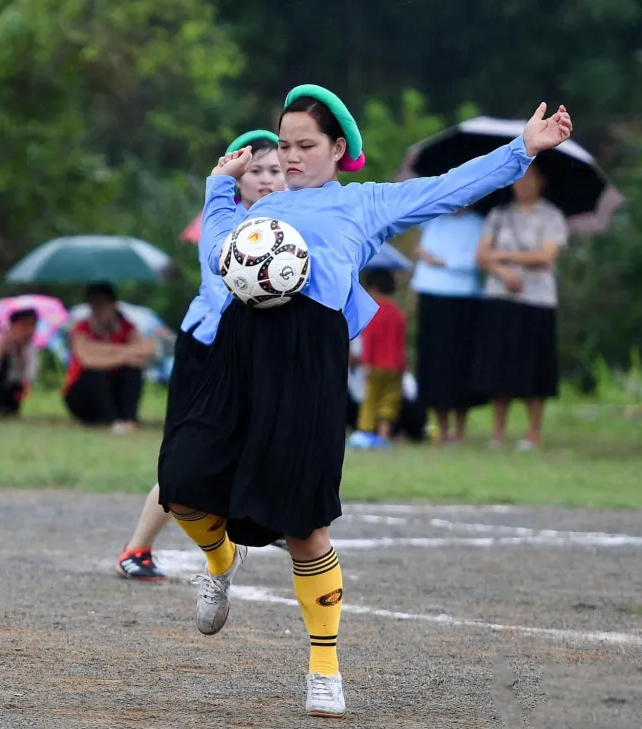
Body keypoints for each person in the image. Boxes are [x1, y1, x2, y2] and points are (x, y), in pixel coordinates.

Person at [158, 83, 571, 718]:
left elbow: (447, 188)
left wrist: (522, 149)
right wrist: (219, 187)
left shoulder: (364, 205)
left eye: (305, 146)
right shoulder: (257, 212)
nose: (290, 157)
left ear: (337, 149)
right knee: (181, 482)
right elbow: (217, 253)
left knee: (305, 527)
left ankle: (324, 669)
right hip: (240, 352)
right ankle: (220, 558)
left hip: (308, 362)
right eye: (284, 145)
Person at [117, 131, 285, 581]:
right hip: (206, 350)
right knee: (184, 457)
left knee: (253, 442)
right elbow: (230, 295)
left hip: (245, 355)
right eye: (256, 171)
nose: (268, 179)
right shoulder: (224, 220)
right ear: (235, 176)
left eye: (275, 169)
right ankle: (137, 548)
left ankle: (268, 518)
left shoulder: (286, 222)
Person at [473, 165, 568, 449]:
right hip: (500, 297)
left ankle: (533, 432)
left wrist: (502, 255)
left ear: (541, 182)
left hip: (537, 300)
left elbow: (546, 254)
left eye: (530, 179)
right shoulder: (499, 215)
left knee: (535, 367)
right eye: (519, 179)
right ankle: (498, 432)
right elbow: (481, 255)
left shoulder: (551, 216)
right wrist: (504, 272)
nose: (523, 184)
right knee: (498, 366)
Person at [411, 209, 487, 443]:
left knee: (461, 362)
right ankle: (441, 426)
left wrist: (442, 261)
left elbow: (477, 258)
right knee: (434, 363)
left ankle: (460, 428)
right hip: (431, 295)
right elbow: (422, 252)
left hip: (463, 298)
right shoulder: (433, 218)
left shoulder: (477, 223)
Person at [63, 282, 154, 433]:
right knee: (96, 373)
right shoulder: (81, 328)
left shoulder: (127, 327)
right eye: (93, 305)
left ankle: (129, 419)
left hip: (114, 390)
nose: (97, 310)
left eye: (101, 304)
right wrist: (125, 354)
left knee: (132, 371)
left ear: (113, 305)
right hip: (83, 395)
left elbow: (146, 351)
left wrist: (100, 350)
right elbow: (87, 360)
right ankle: (112, 420)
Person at [348, 269, 407, 448]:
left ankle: (365, 435)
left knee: (371, 400)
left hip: (376, 365)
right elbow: (401, 342)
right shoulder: (397, 312)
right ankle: (384, 435)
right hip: (395, 366)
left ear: (372, 288)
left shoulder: (373, 311)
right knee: (389, 401)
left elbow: (370, 340)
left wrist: (367, 363)